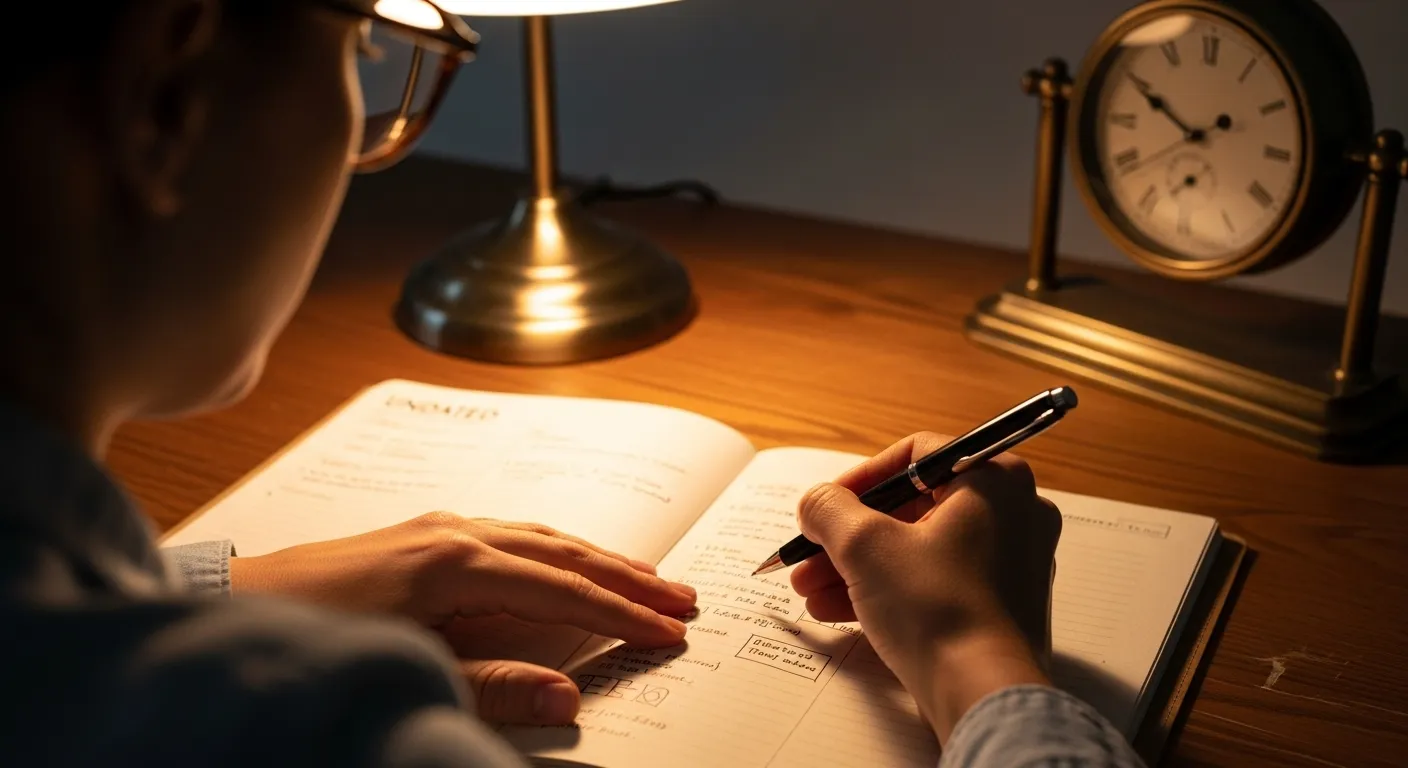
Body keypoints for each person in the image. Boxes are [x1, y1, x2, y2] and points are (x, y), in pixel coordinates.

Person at [0, 0, 1146, 765]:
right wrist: (975, 661)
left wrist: (213, 588)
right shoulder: (313, 722)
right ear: (165, 94)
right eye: (360, 51)